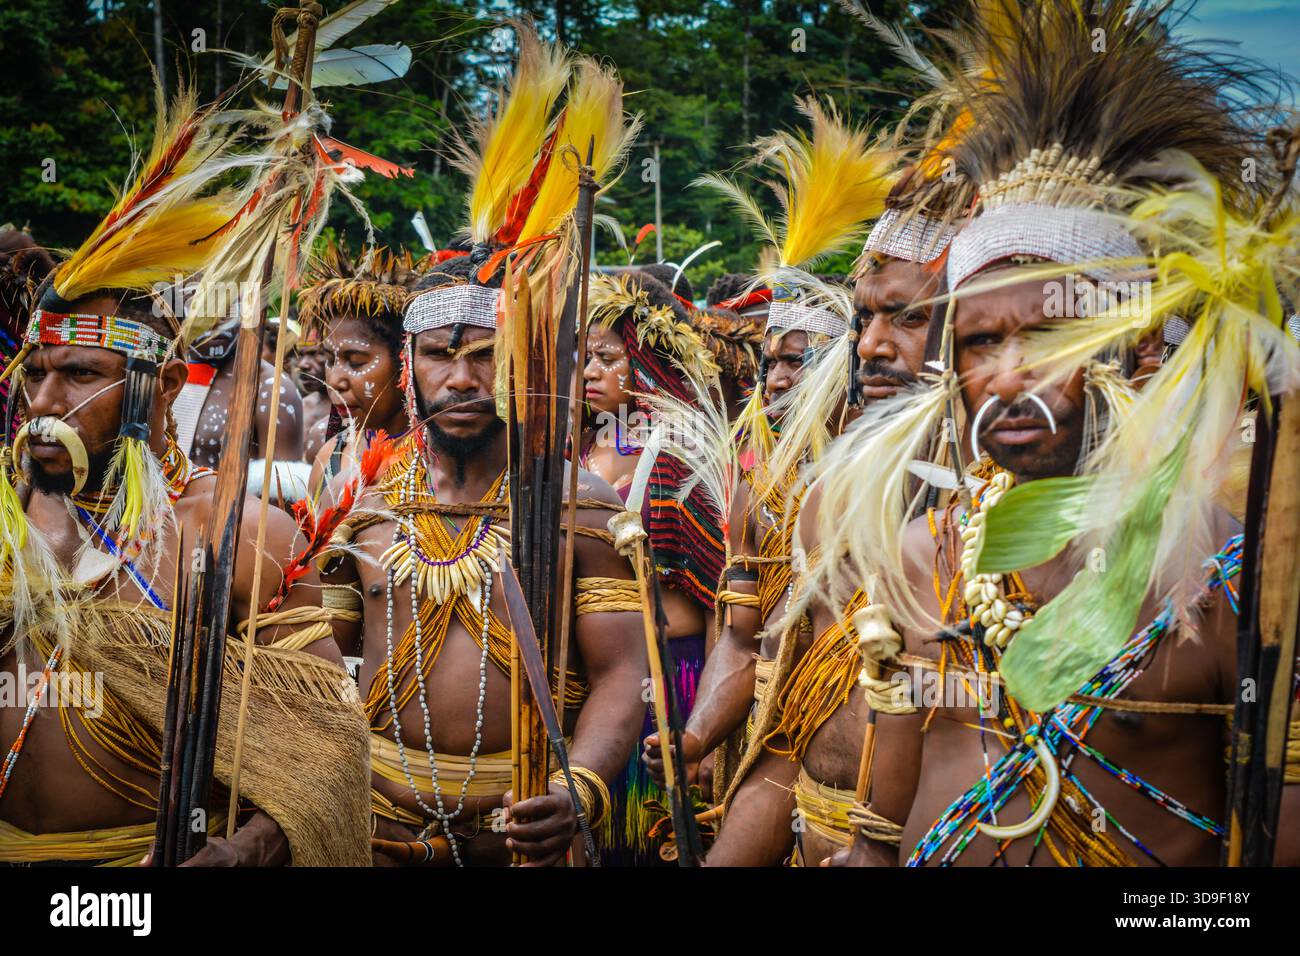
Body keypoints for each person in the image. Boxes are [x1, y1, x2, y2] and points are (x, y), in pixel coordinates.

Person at [806, 0, 1297, 867]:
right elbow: (880, 833)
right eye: (981, 342)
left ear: (1139, 347)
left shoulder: (1235, 582)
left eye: (1051, 336)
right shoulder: (927, 555)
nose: (1006, 375)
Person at [0, 87, 369, 867]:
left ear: (161, 385)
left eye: (79, 375)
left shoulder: (228, 533)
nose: (44, 401)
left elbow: (329, 744)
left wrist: (242, 850)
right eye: (34, 373)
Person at [317, 27, 650, 867]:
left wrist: (580, 788)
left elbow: (620, 674)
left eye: (484, 355)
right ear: (410, 370)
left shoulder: (578, 508)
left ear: (520, 360)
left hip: (522, 836)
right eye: (440, 354)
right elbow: (328, 669)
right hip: (378, 830)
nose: (462, 378)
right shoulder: (372, 508)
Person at [644, 98, 898, 814]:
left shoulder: (901, 483)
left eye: (799, 360)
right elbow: (740, 639)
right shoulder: (762, 493)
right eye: (768, 363)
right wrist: (694, 737)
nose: (778, 378)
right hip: (768, 752)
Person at [298, 243, 417, 496]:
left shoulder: (436, 462)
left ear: (404, 360)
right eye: (330, 359)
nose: (336, 381)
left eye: (356, 362)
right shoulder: (330, 458)